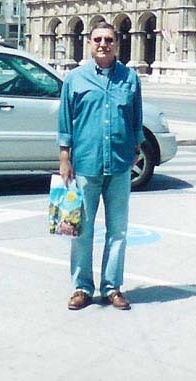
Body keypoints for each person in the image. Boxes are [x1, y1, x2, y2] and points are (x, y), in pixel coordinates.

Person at [58, 22, 144, 311]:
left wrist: (136, 148)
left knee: (118, 231)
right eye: (98, 39)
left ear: (116, 43)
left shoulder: (129, 78)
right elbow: (65, 122)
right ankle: (82, 287)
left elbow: (136, 119)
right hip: (85, 164)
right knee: (81, 230)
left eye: (108, 39)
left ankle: (112, 287)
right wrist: (64, 159)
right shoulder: (74, 79)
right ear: (89, 43)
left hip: (119, 165)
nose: (103, 44)